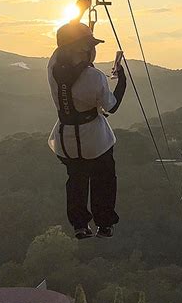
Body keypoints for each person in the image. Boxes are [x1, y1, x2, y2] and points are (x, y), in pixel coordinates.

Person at [47, 21, 126, 239]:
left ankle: (80, 224)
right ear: (82, 49)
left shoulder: (53, 67)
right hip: (94, 139)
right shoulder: (94, 77)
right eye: (90, 45)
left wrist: (80, 14)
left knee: (76, 179)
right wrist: (122, 82)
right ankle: (104, 223)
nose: (93, 50)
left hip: (65, 138)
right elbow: (112, 106)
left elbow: (61, 44)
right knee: (104, 178)